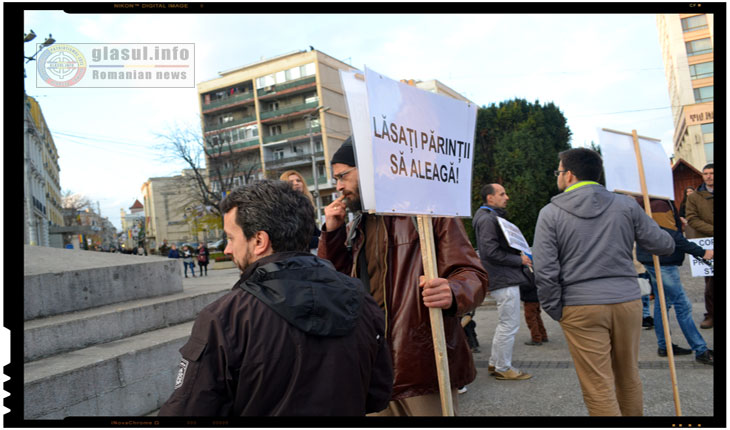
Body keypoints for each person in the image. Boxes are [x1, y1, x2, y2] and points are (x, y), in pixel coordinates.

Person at [158, 180, 393, 416]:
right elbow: (377, 395)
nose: (228, 249)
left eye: (231, 238)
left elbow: (188, 410)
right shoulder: (360, 298)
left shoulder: (225, 318)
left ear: (259, 241)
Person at [318, 137, 488, 416]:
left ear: (370, 168)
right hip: (372, 368)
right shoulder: (358, 223)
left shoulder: (426, 209)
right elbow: (332, 285)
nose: (338, 186)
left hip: (419, 367)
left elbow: (473, 273)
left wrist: (454, 291)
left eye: (342, 176)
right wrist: (333, 234)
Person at [533, 148, 674, 416]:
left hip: (580, 306)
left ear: (570, 175)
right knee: (628, 375)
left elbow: (545, 269)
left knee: (598, 385)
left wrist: (555, 308)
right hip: (627, 301)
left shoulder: (550, 213)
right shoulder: (626, 205)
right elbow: (663, 244)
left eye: (559, 172)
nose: (558, 177)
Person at [634, 197, 714, 365]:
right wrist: (700, 252)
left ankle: (665, 346)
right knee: (682, 305)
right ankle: (700, 349)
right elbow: (669, 234)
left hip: (655, 258)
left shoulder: (650, 201)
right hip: (663, 259)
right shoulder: (658, 203)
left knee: (664, 303)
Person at [472, 184, 533, 381]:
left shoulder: (487, 217)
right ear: (490, 198)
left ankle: (495, 363)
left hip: (502, 277)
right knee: (509, 324)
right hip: (504, 278)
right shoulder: (488, 218)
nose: (506, 197)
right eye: (502, 194)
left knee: (505, 324)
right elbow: (490, 252)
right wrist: (519, 260)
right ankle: (503, 367)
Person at [684, 163, 714, 329]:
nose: (709, 176)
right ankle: (711, 315)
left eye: (712, 173)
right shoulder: (694, 197)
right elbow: (692, 219)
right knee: (711, 284)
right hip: (707, 244)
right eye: (706, 173)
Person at [280, 169, 321, 250]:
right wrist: (320, 240)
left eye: (298, 180)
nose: (296, 183)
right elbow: (294, 238)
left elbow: (314, 232)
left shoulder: (307, 205)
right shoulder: (284, 208)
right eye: (291, 182)